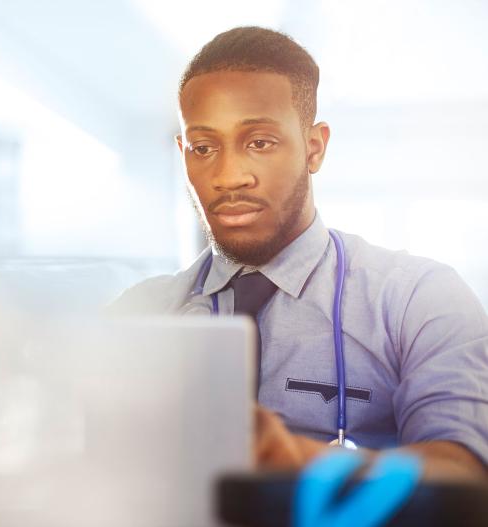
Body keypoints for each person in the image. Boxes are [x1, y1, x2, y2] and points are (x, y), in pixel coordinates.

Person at [110, 26, 488, 479]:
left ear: (314, 147)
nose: (229, 176)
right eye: (204, 148)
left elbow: (466, 478)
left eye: (259, 143)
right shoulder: (136, 314)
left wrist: (301, 460)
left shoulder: (417, 299)